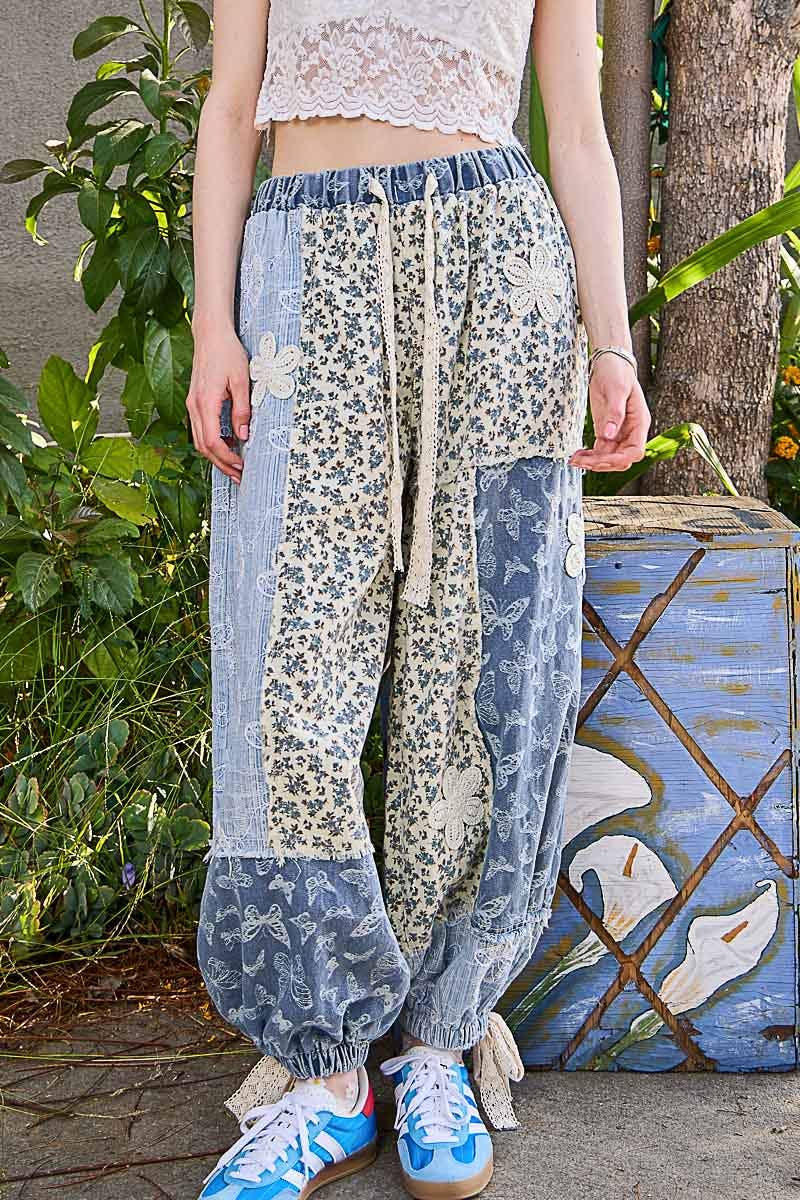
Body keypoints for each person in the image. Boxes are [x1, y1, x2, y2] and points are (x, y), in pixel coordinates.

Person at [187, 1, 650, 1196]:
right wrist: (211, 326)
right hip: (302, 266)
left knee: (480, 661)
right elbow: (230, 109)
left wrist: (609, 343)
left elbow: (576, 129)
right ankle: (326, 1071)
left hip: (498, 270)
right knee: (286, 669)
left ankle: (437, 1041)